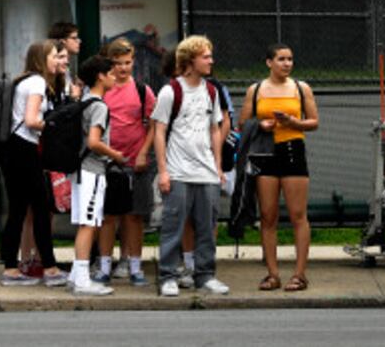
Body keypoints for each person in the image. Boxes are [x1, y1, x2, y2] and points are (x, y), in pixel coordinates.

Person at [154, 35, 229, 297]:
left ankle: (205, 275)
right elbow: (159, 132)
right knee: (174, 225)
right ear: (190, 60)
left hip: (206, 171)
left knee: (207, 227)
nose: (211, 61)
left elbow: (215, 130)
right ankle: (167, 276)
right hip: (178, 171)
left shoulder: (211, 91)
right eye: (205, 56)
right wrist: (163, 171)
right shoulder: (170, 91)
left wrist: (218, 167)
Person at [240, 42, 319, 292]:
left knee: (298, 214)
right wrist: (260, 125)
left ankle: (300, 274)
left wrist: (295, 122)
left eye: (290, 59)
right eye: (281, 59)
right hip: (265, 151)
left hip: (292, 149)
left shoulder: (300, 88)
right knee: (268, 215)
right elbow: (243, 123)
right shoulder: (256, 89)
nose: (287, 64)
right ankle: (272, 273)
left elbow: (314, 121)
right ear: (269, 62)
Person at [0, 39, 69, 287]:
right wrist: (50, 125)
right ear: (41, 59)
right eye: (53, 56)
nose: (58, 60)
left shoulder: (24, 80)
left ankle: (12, 267)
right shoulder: (38, 82)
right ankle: (48, 268)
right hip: (24, 149)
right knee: (40, 207)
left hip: (12, 150)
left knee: (18, 210)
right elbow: (30, 120)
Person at [94, 38, 154, 286]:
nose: (123, 68)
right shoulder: (103, 90)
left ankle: (134, 265)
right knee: (108, 216)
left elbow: (153, 124)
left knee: (134, 216)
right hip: (106, 162)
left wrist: (143, 152)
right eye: (117, 64)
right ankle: (105, 265)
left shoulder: (142, 90)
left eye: (127, 63)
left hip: (134, 160)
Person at [70, 55, 126, 296]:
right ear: (101, 76)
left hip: (79, 171)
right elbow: (94, 141)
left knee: (86, 222)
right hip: (92, 170)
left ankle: (75, 274)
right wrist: (116, 155)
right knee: (89, 224)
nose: (115, 77)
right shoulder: (99, 105)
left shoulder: (84, 101)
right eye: (111, 73)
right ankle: (82, 279)